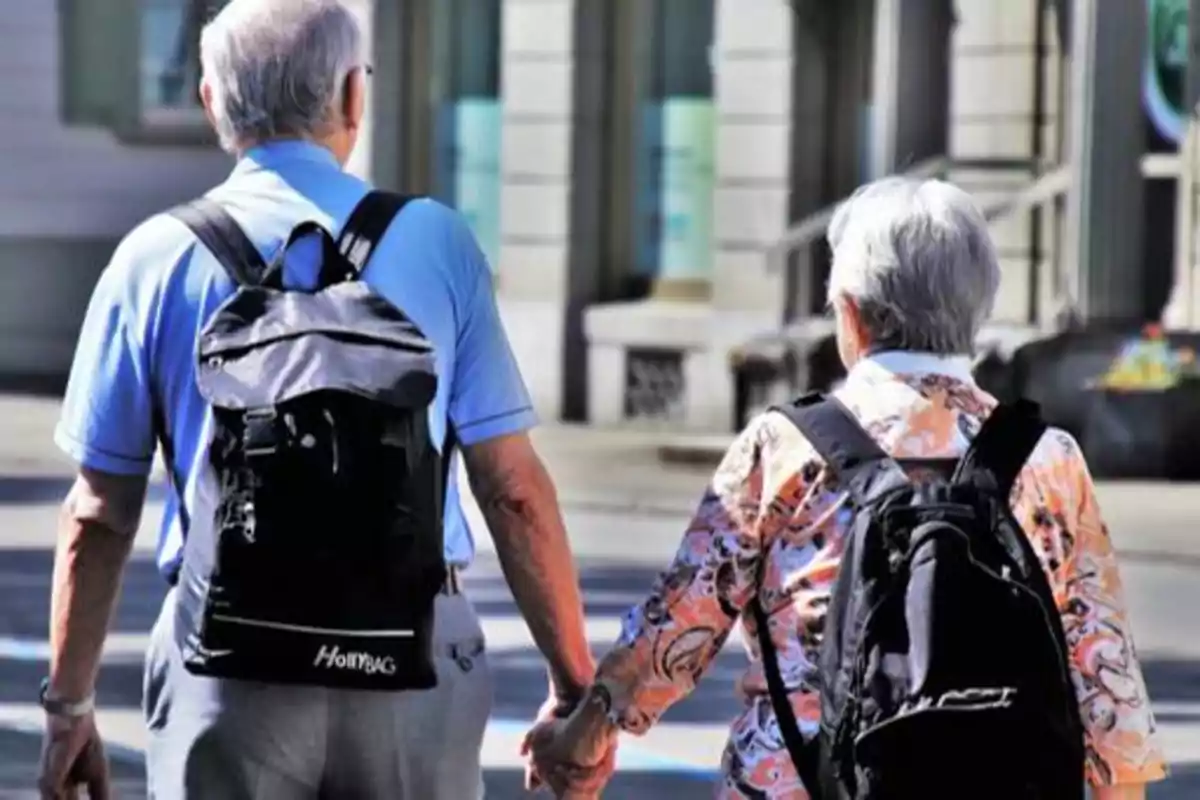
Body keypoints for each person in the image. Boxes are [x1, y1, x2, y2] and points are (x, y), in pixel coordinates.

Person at [36, 1, 612, 797]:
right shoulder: (438, 242)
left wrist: (69, 705)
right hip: (413, 658)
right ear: (352, 97)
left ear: (210, 101)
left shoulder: (153, 258)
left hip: (227, 663)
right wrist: (575, 683)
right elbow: (512, 489)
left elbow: (98, 512)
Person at [526, 177, 1168, 799]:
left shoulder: (784, 447)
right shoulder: (1047, 460)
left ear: (852, 314)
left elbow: (680, 625)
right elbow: (1104, 676)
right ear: (978, 307)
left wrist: (587, 730)